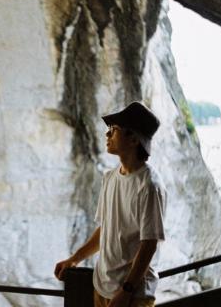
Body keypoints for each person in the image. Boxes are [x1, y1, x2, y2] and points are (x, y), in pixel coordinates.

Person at [54, 101, 167, 307]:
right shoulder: (110, 177)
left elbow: (149, 245)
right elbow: (106, 228)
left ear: (133, 139)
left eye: (114, 130)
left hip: (133, 296)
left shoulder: (150, 185)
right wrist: (74, 259)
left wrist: (126, 290)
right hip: (102, 287)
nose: (107, 135)